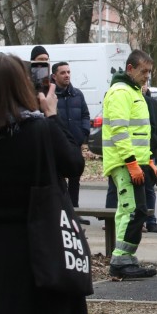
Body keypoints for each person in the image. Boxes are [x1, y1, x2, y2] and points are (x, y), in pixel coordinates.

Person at [0, 53, 86, 314]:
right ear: (21, 86)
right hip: (37, 246)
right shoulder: (39, 130)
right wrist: (51, 114)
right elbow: (74, 164)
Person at [102, 49, 157, 279]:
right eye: (143, 71)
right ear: (130, 69)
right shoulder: (120, 93)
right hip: (125, 164)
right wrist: (132, 163)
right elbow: (119, 131)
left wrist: (149, 161)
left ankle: (126, 259)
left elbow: (138, 134)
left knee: (135, 211)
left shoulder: (131, 92)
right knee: (132, 211)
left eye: (149, 72)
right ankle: (120, 261)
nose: (147, 76)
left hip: (134, 162)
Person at [52, 62, 91, 207]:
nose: (67, 75)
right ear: (54, 76)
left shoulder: (77, 94)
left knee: (75, 179)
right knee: (58, 180)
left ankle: (75, 211)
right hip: (56, 146)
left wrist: (83, 133)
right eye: (63, 73)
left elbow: (85, 115)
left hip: (74, 144)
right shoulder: (50, 96)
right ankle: (60, 211)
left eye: (68, 72)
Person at [142, 85, 157, 233]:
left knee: (149, 188)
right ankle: (138, 222)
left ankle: (151, 220)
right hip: (132, 154)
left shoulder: (154, 104)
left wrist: (156, 140)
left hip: (149, 154)